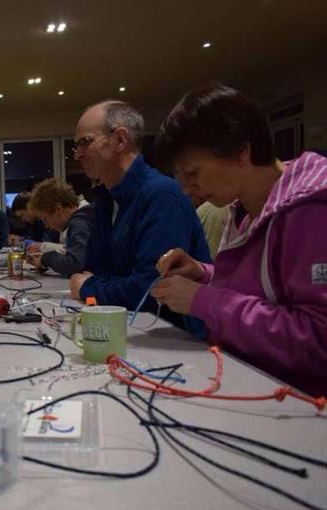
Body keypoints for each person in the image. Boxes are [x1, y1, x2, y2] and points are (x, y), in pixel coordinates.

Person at [152, 82, 327, 395]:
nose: (186, 188)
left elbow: (318, 342)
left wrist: (202, 300)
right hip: (255, 387)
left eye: (193, 172)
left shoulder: (312, 210)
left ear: (240, 152)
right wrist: (203, 274)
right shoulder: (242, 209)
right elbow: (269, 292)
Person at [68, 100, 211, 332]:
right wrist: (101, 284)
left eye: (85, 142)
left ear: (120, 140)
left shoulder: (162, 195)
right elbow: (94, 270)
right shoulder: (105, 198)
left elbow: (149, 290)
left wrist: (90, 288)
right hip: (128, 328)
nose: (78, 154)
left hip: (171, 337)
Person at [24, 179, 96, 277]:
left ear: (58, 209)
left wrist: (45, 259)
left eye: (45, 219)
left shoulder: (80, 221)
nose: (46, 226)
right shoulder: (81, 218)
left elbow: (76, 263)